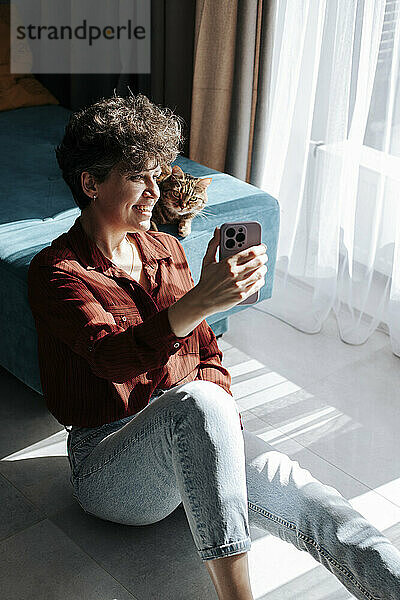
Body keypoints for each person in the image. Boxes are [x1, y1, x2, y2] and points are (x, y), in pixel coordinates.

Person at [27, 92, 400, 600]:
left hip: (193, 427)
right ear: (91, 183)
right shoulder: (57, 273)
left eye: (159, 174)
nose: (156, 192)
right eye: (139, 176)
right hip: (107, 463)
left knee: (319, 505)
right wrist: (199, 304)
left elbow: (208, 356)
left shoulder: (165, 247)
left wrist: (220, 435)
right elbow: (112, 358)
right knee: (198, 403)